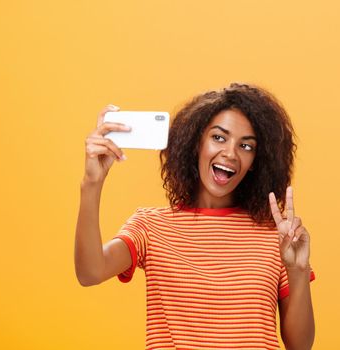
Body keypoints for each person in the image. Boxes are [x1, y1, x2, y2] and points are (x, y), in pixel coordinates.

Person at [74, 83, 316, 350]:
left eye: (246, 146)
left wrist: (297, 269)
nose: (230, 153)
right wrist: (91, 183)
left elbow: (300, 346)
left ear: (255, 163)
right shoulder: (150, 226)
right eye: (219, 138)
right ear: (196, 143)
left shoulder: (276, 236)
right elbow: (90, 272)